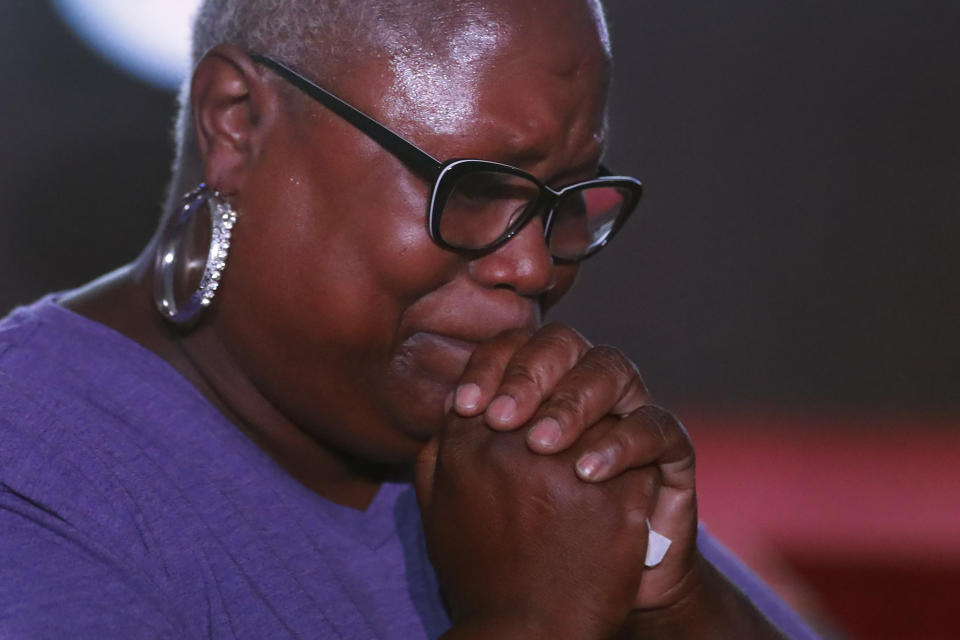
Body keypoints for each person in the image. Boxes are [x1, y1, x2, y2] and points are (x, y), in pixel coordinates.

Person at [0, 0, 820, 638]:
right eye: (471, 189)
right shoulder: (32, 465)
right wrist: (532, 620)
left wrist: (674, 606)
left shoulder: (518, 464)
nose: (534, 267)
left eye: (562, 201)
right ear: (237, 120)